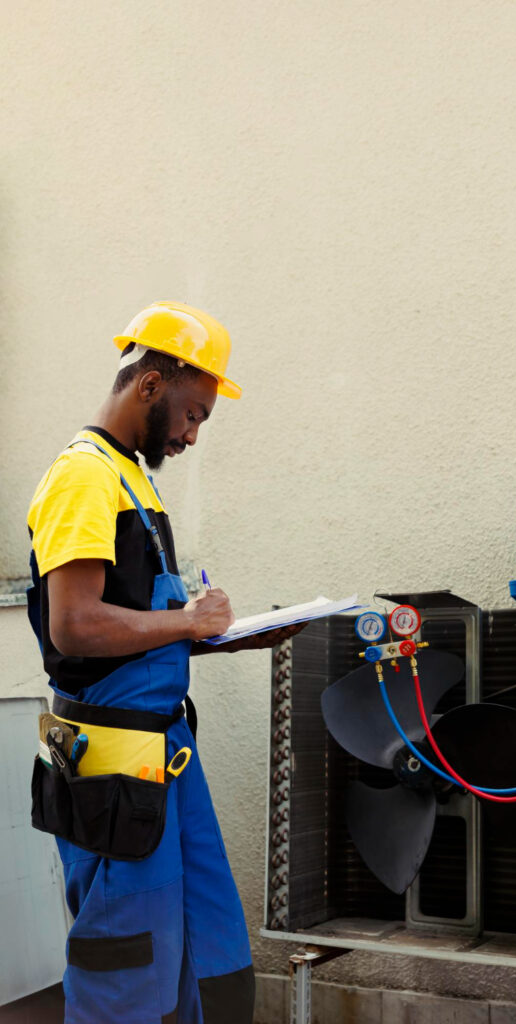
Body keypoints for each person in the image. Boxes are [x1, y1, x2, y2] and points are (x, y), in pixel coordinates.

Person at [27, 301, 299, 1024]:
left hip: (162, 758)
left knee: (203, 950)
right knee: (128, 962)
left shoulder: (132, 481)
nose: (190, 434)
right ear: (150, 384)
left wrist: (217, 637)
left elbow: (135, 628)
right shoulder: (83, 478)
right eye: (191, 413)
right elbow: (75, 625)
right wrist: (186, 620)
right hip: (114, 772)